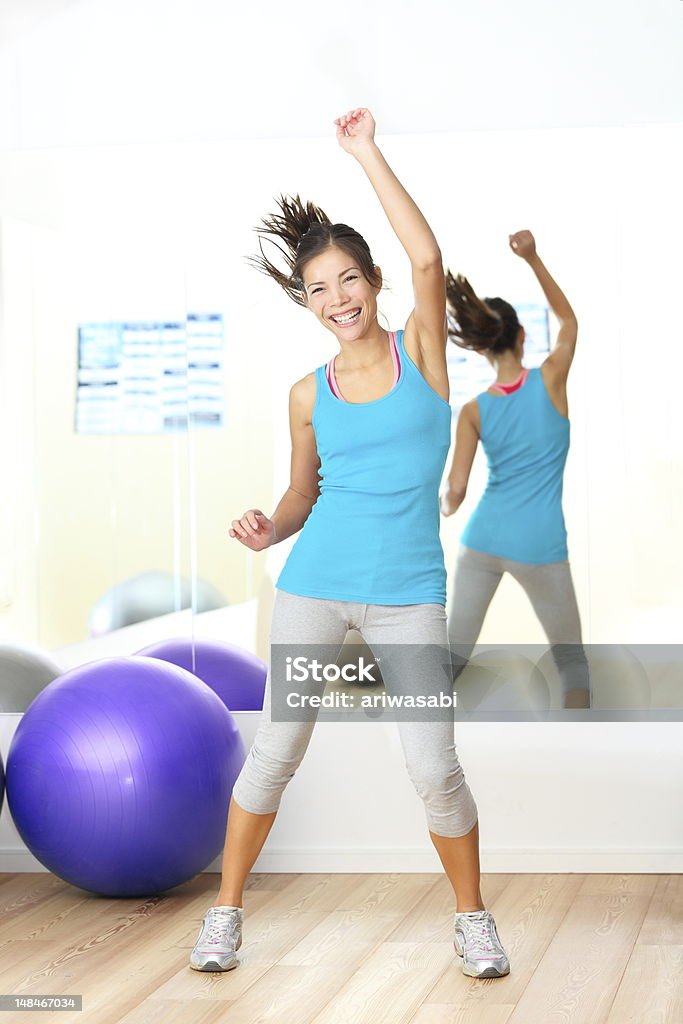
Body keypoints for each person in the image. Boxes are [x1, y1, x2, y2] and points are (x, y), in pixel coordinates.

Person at [189, 109, 510, 979]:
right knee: (276, 752)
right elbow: (302, 494)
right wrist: (268, 525)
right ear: (306, 301)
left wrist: (366, 152)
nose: (336, 299)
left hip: (409, 594)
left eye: (346, 279)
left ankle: (471, 919)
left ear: (372, 279)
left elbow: (430, 259)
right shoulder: (305, 392)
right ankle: (225, 914)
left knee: (433, 768)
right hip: (315, 585)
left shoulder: (421, 355)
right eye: (317, 289)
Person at [440, 230, 591, 712]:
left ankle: (412, 748)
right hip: (540, 545)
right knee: (572, 666)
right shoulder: (551, 379)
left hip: (482, 541)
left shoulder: (474, 410)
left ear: (483, 350)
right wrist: (533, 258)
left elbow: (456, 492)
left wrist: (440, 506)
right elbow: (568, 320)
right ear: (521, 337)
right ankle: (582, 758)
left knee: (449, 662)